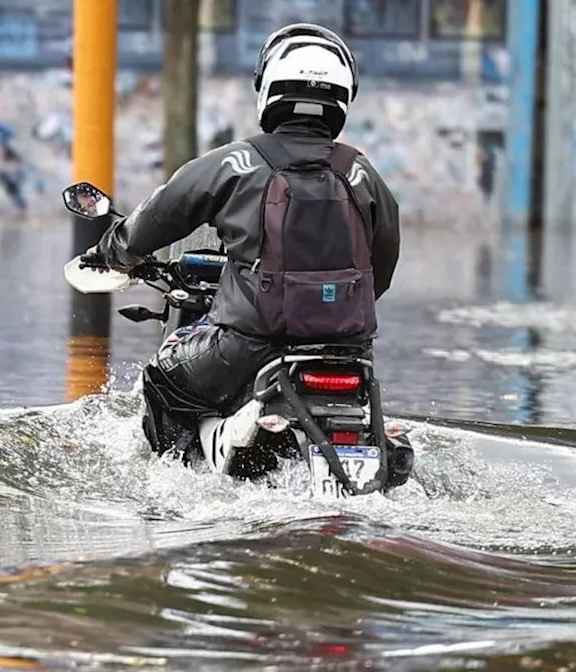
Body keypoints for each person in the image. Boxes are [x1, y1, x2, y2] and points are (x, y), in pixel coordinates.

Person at [87, 23, 401, 453]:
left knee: (160, 380)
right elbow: (380, 270)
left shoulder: (238, 162)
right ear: (343, 97)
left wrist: (112, 252)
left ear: (270, 88)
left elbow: (160, 214)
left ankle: (171, 487)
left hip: (249, 345)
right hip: (350, 353)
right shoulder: (362, 174)